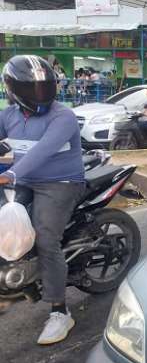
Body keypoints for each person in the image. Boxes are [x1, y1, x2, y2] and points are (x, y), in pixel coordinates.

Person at [0, 55, 85, 345]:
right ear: (12, 89)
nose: (39, 95)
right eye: (31, 89)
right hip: (24, 180)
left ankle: (60, 311)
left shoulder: (63, 116)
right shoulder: (8, 116)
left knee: (46, 239)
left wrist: (10, 175)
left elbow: (42, 152)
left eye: (44, 87)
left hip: (60, 183)